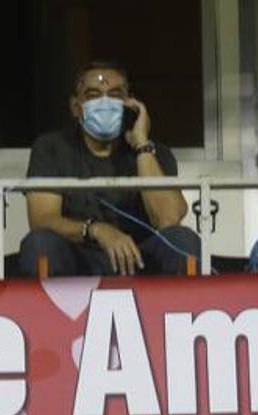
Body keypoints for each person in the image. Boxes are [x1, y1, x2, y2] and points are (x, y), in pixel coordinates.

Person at [19, 60, 199, 277]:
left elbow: (168, 219)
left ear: (128, 103)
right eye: (93, 95)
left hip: (138, 259)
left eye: (114, 94)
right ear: (76, 107)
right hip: (78, 259)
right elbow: (42, 219)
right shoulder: (51, 148)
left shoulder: (153, 153)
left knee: (182, 239)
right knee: (39, 243)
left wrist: (142, 145)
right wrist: (96, 231)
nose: (105, 102)